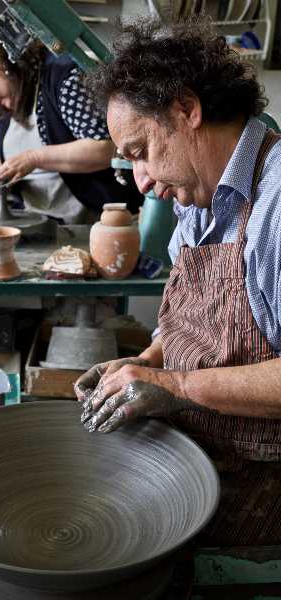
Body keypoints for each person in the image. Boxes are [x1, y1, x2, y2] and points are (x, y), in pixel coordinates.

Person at [75, 17, 281, 547]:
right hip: (199, 459)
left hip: (263, 493)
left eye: (141, 151)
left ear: (187, 109)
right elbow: (197, 325)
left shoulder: (277, 204)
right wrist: (148, 363)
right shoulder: (195, 193)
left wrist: (177, 388)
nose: (142, 181)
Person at [0, 34, 142, 224]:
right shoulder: (5, 103)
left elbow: (104, 149)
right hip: (32, 219)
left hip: (89, 220)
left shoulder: (62, 77)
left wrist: (35, 158)